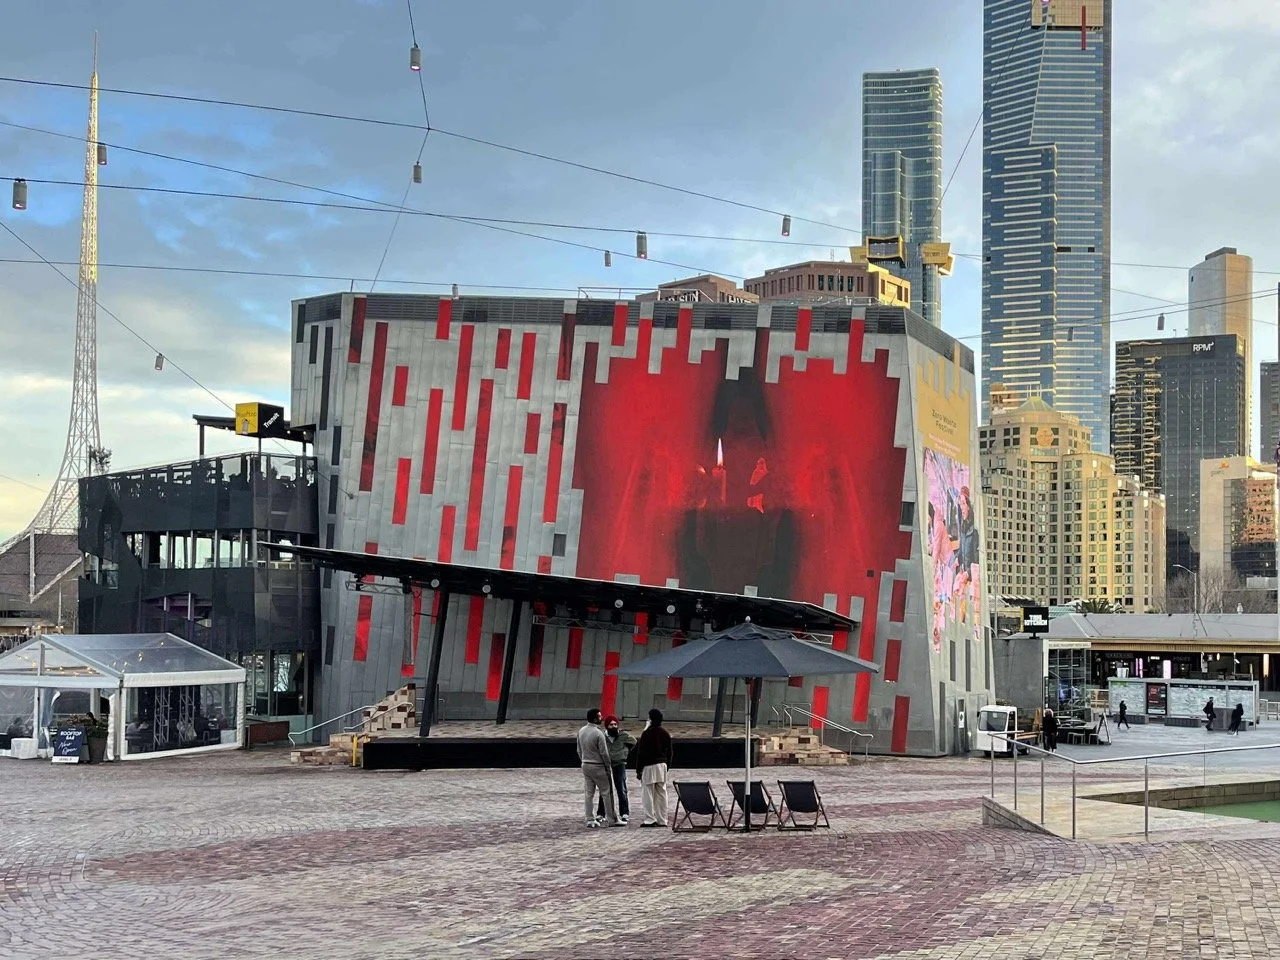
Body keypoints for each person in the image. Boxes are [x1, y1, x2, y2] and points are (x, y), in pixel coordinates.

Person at [576, 708, 620, 828]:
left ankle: (589, 818)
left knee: (588, 793)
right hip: (598, 766)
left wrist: (584, 760)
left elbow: (579, 750)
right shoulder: (598, 733)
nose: (602, 718)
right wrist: (608, 766)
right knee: (606, 792)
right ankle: (612, 819)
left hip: (585, 764)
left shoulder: (581, 731)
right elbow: (604, 753)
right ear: (595, 719)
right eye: (600, 716)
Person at [635, 708, 673, 827]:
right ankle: (662, 819)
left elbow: (641, 754)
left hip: (649, 766)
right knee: (661, 792)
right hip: (662, 765)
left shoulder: (647, 734)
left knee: (648, 793)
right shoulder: (665, 733)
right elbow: (670, 752)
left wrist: (638, 770)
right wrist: (667, 766)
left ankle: (650, 819)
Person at [596, 715, 637, 824]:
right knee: (604, 789)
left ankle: (624, 813)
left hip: (619, 764)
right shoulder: (602, 736)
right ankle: (601, 813)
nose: (614, 726)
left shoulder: (624, 735)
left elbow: (633, 742)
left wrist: (624, 752)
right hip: (606, 765)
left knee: (621, 789)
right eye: (611, 725)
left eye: (615, 724)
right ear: (607, 726)